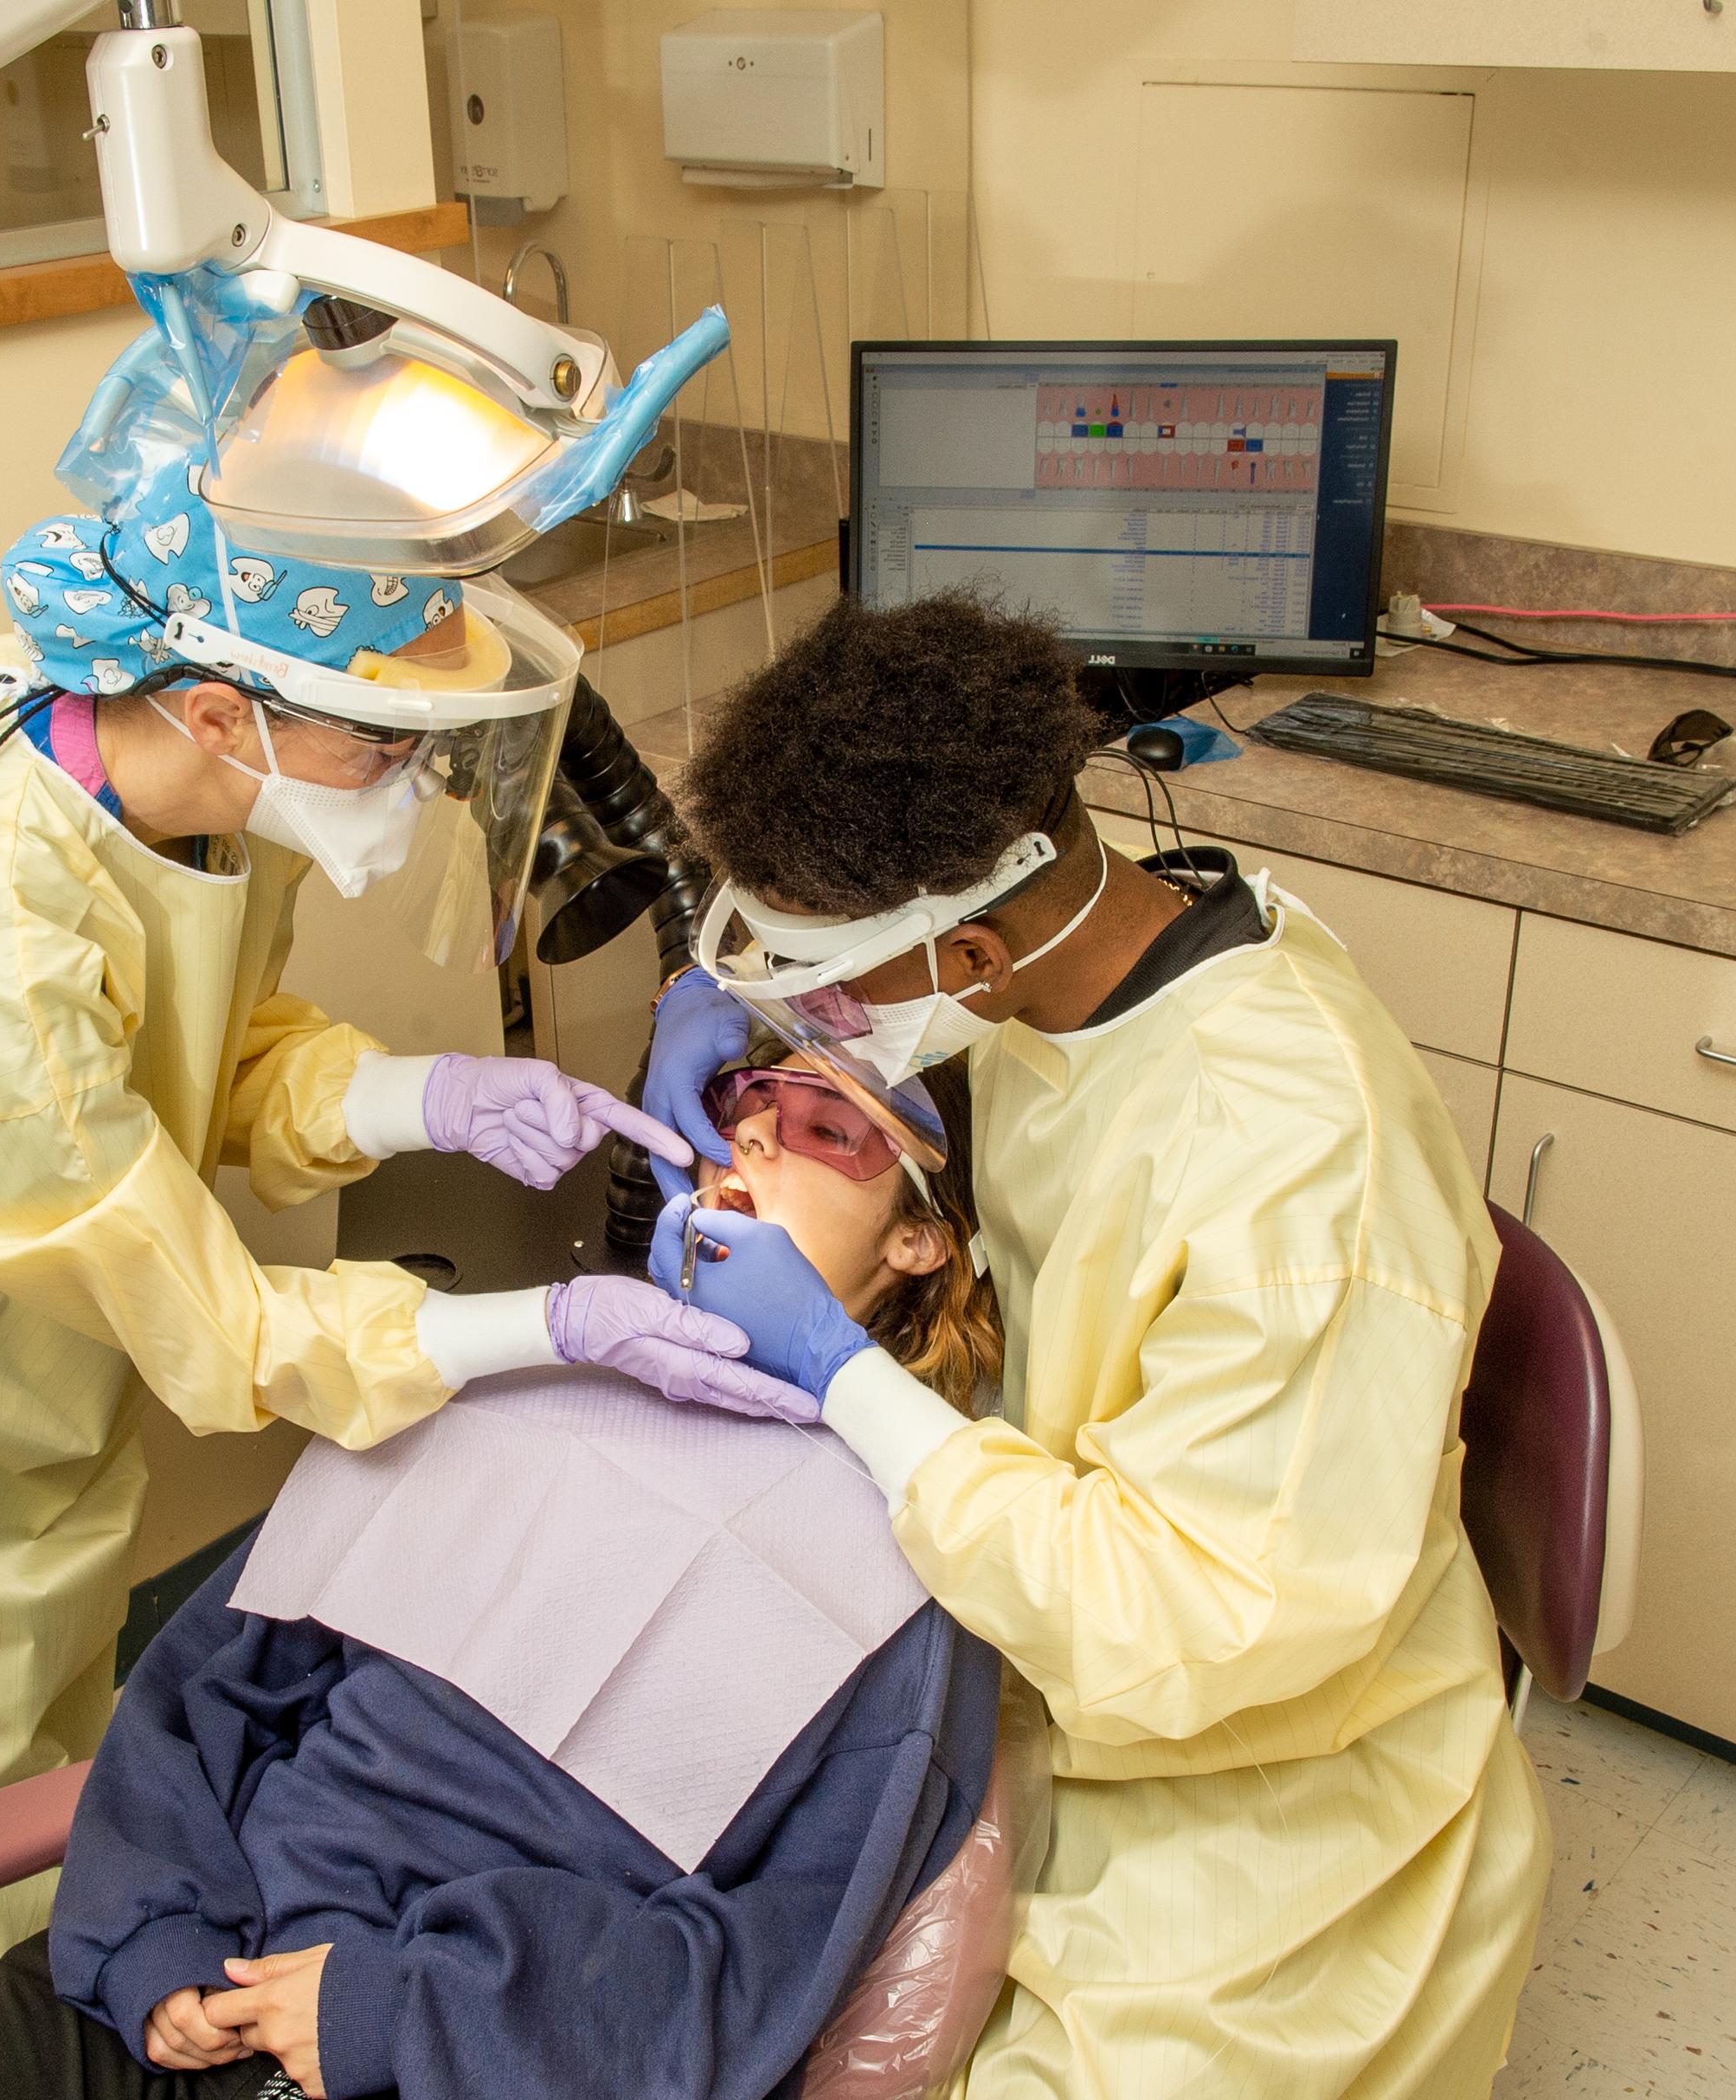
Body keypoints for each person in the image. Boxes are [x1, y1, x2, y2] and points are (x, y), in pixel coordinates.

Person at [0, 448, 800, 2005]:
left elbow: (178, 1045)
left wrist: (429, 1097)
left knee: (49, 1669)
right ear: (223, 712)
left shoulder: (148, 748)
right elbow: (218, 1317)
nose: (414, 788)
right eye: (390, 750)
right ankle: (7, 1999)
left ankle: (73, 1917)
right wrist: (540, 1326)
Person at [641, 589, 1551, 2097]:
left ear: (975, 955)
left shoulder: (1292, 1162)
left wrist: (842, 1367)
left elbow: (1193, 1621)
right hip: (1040, 1668)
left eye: (830, 994)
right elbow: (948, 1057)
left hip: (1260, 1804)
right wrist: (723, 999)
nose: (805, 1032)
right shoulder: (1097, 945)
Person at [0, 1060, 1006, 2100]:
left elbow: (752, 1972)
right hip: (176, 1979)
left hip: (462, 2047)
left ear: (921, 1238)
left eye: (824, 1129)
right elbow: (204, 1693)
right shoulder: (515, 1371)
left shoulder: (909, 1570)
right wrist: (151, 1937)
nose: (752, 1138)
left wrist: (396, 2011)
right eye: (743, 1100)